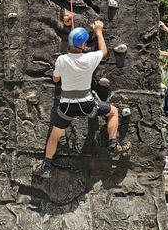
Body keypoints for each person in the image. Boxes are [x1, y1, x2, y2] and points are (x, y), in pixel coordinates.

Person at [33, 21, 130, 179]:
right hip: (87, 104)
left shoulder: (62, 60)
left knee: (55, 134)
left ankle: (47, 164)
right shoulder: (89, 58)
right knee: (113, 112)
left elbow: (56, 80)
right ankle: (113, 145)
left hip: (66, 106)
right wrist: (98, 31)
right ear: (83, 44)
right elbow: (104, 51)